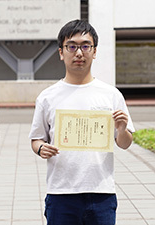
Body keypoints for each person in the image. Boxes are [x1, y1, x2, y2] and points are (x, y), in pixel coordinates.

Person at [28, 19, 135, 225]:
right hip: (61, 193)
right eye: (72, 46)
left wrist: (122, 130)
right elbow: (36, 139)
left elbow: (124, 143)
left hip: (101, 192)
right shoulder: (47, 97)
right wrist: (41, 148)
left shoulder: (111, 95)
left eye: (86, 46)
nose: (79, 53)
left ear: (94, 51)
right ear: (61, 52)